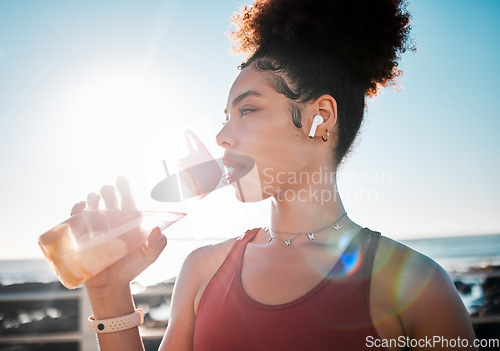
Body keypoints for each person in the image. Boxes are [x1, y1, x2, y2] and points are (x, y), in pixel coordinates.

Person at [73, 0, 478, 350]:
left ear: (320, 118)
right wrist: (109, 292)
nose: (220, 136)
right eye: (226, 116)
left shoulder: (420, 288)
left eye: (247, 110)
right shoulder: (202, 269)